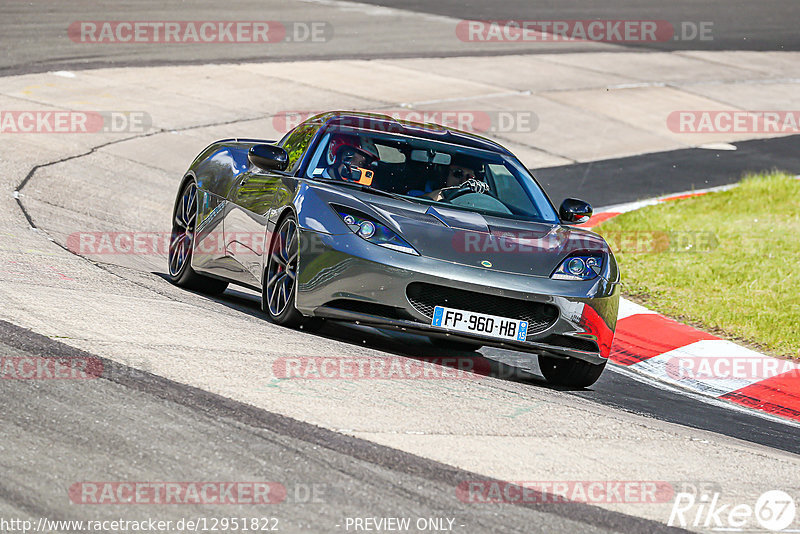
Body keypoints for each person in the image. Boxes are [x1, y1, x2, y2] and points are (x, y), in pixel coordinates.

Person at [424, 161, 488, 201]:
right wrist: (443, 194)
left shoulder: (476, 198)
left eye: (470, 177)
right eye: (458, 174)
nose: (463, 181)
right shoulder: (422, 192)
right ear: (445, 175)